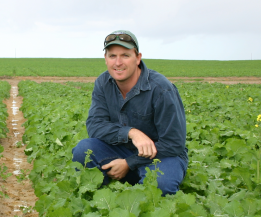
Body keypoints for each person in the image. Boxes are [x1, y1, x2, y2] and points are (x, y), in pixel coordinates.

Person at [72, 30, 188, 195]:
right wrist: (131, 133)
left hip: (161, 155)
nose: (118, 62)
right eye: (112, 56)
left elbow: (174, 143)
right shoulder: (103, 83)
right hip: (121, 149)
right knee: (82, 150)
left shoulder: (161, 89)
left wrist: (128, 163)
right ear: (105, 59)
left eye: (125, 55)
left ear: (138, 58)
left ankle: (135, 180)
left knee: (161, 185)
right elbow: (95, 125)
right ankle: (101, 198)